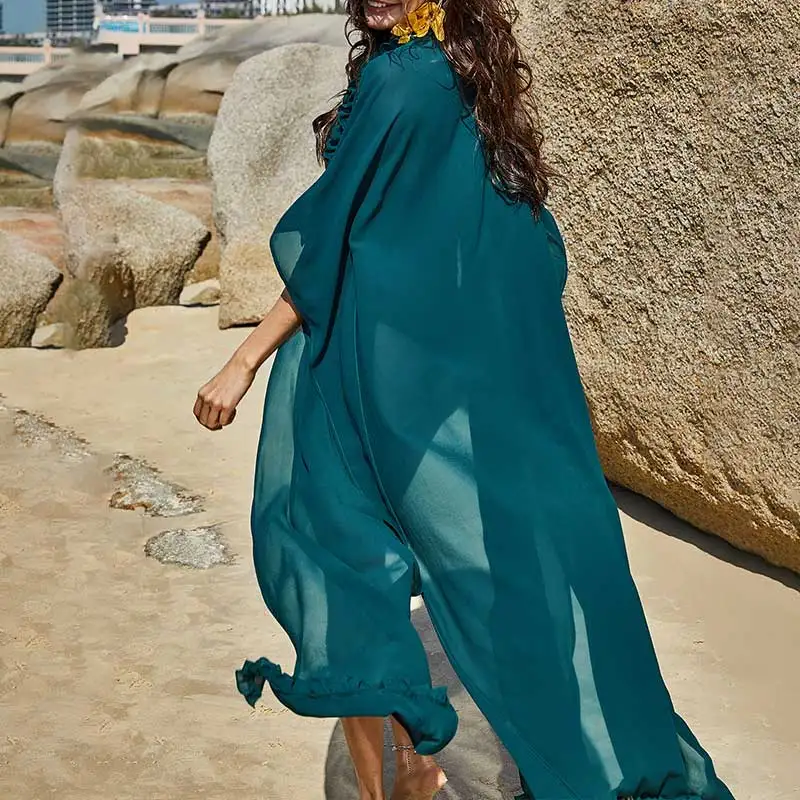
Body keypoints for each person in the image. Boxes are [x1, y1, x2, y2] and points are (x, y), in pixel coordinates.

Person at [194, 1, 736, 798]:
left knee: (343, 562)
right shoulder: (456, 67)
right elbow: (519, 238)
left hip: (371, 372)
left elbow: (330, 241)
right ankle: (425, 764)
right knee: (453, 563)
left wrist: (242, 361)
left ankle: (402, 777)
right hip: (421, 365)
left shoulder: (403, 77)